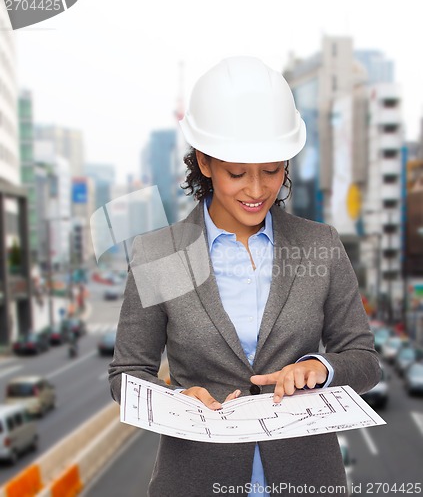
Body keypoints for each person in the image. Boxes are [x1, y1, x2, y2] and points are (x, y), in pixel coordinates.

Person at [109, 56, 381, 497]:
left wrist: (320, 367)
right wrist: (174, 400)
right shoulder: (163, 255)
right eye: (237, 173)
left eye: (272, 170)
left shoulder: (320, 245)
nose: (256, 191)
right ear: (204, 161)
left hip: (307, 478)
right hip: (194, 480)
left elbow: (363, 358)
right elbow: (127, 373)